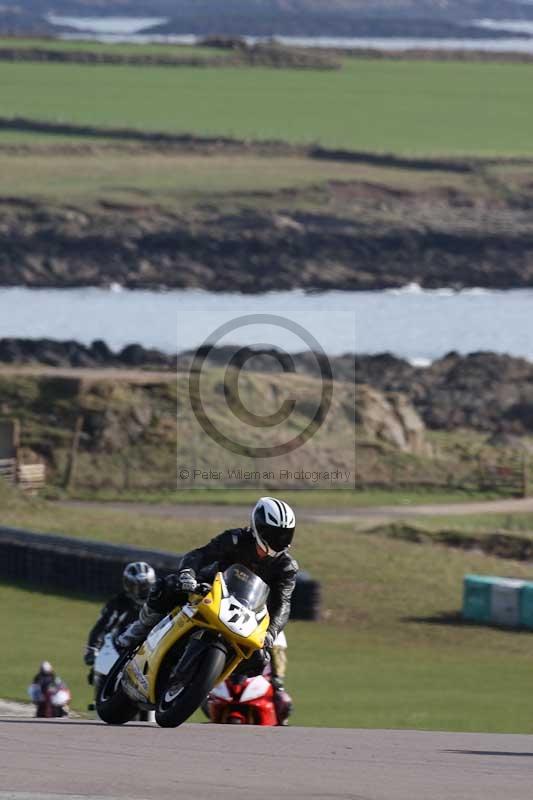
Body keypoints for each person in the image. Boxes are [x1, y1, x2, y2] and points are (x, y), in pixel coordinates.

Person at [117, 497, 298, 722]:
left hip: (247, 614)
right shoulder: (235, 539)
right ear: (259, 527)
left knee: (259, 659)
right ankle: (139, 630)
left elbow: (283, 603)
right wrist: (188, 575)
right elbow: (199, 555)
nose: (280, 540)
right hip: (208, 590)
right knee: (167, 587)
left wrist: (271, 632)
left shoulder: (286, 567)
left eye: (285, 535)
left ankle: (208, 681)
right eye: (275, 533)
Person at [83, 561, 157, 668]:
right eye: (134, 586)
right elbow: (103, 625)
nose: (140, 591)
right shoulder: (119, 602)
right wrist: (93, 648)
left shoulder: (160, 603)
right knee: (101, 671)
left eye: (144, 586)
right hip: (118, 650)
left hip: (150, 652)